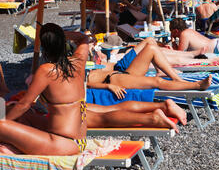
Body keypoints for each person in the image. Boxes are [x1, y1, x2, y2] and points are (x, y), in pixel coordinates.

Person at [0, 64, 186, 135]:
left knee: (104, 118)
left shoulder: (8, 101)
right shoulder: (58, 66)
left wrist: (7, 116)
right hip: (62, 104)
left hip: (52, 112)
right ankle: (163, 105)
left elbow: (20, 106)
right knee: (108, 110)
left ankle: (152, 118)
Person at [0, 24, 90, 155]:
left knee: (3, 125)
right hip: (78, 141)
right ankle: (14, 148)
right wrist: (60, 34)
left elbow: (24, 104)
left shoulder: (46, 70)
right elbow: (84, 39)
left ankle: (13, 149)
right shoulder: (78, 61)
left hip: (61, 143)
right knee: (25, 118)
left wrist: (5, 124)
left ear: (44, 48)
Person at [86, 38, 213, 97]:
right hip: (112, 80)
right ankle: (197, 85)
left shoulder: (78, 64)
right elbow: (86, 85)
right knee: (156, 82)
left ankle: (177, 79)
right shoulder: (73, 71)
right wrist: (108, 86)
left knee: (151, 48)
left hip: (119, 74)